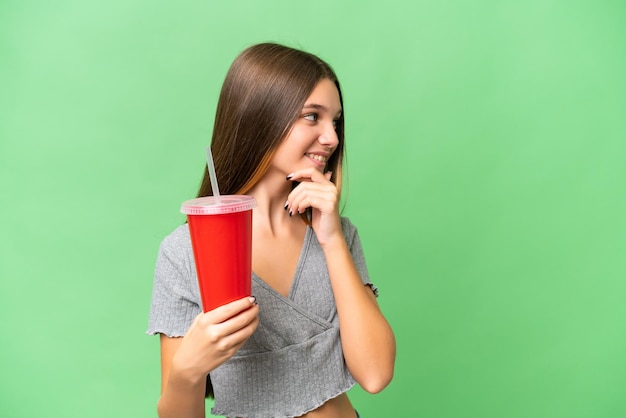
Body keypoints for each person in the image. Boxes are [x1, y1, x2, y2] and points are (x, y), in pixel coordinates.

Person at [147, 42, 396, 418]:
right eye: (312, 117)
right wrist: (187, 371)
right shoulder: (185, 253)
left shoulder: (338, 234)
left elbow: (376, 374)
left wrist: (331, 240)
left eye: (336, 121)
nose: (331, 137)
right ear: (260, 117)